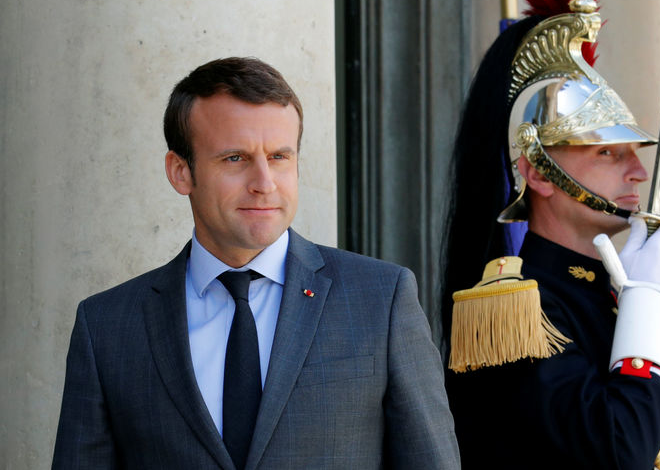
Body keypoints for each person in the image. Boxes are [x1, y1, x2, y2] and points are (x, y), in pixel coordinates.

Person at [52, 57, 460, 469]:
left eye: (280, 157)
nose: (264, 183)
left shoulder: (381, 300)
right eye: (235, 158)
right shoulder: (106, 327)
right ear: (180, 172)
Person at [441, 0, 660, 470]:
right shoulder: (517, 308)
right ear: (537, 171)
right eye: (607, 152)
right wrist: (651, 308)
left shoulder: (605, 296)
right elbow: (617, 450)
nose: (637, 172)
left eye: (633, 152)